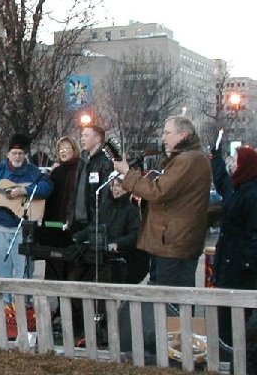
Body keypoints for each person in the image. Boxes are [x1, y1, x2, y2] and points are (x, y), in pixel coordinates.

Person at [114, 115, 211, 287]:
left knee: (171, 298)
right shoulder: (189, 158)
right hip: (177, 239)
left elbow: (158, 191)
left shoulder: (187, 160)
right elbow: (171, 196)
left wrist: (128, 173)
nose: (163, 138)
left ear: (183, 135)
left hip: (175, 242)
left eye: (167, 133)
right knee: (173, 297)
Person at [0, 134, 52, 285]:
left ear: (25, 154)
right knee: (1, 271)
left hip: (22, 228)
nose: (17, 157)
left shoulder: (33, 172)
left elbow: (47, 187)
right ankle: (6, 305)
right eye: (14, 153)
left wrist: (24, 191)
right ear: (8, 154)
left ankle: (25, 303)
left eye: (20, 153)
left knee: (24, 272)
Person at [210, 143, 257, 355]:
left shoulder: (252, 193)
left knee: (239, 315)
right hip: (227, 261)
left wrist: (248, 262)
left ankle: (239, 356)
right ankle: (227, 351)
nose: (233, 165)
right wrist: (216, 157)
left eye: (236, 161)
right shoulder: (236, 186)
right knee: (224, 313)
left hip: (241, 267)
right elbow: (221, 181)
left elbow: (254, 234)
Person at [40, 136, 80, 281]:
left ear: (74, 149)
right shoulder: (56, 172)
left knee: (72, 267)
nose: (63, 151)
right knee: (54, 267)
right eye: (60, 149)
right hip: (55, 226)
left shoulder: (81, 168)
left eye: (66, 148)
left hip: (74, 226)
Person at [72, 125, 113, 235]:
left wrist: (97, 222)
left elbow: (105, 197)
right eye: (81, 136)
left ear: (97, 139)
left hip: (93, 222)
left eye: (86, 135)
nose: (82, 139)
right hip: (76, 221)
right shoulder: (82, 160)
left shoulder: (105, 163)